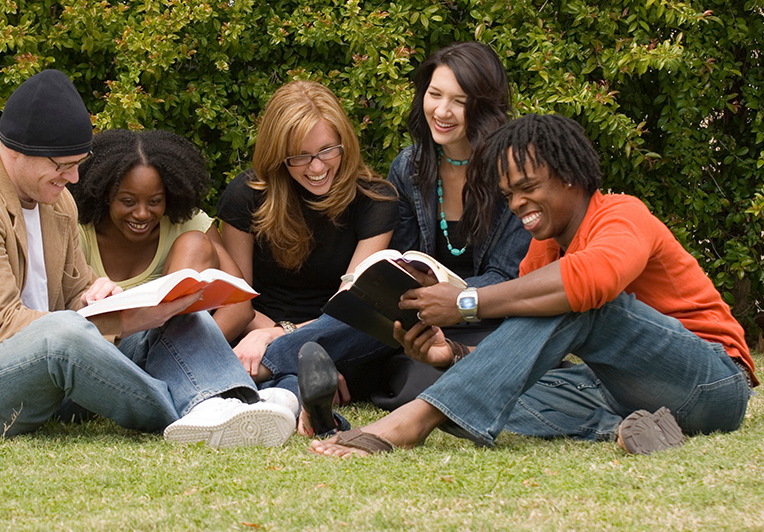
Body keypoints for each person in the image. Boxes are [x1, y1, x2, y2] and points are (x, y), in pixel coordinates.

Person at [0, 69, 295, 448]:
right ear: (18, 150)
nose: (73, 178)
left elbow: (75, 293)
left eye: (78, 165)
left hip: (48, 382)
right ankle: (194, 413)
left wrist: (100, 296)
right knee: (64, 336)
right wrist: (122, 321)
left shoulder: (55, 200)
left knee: (179, 313)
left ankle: (235, 400)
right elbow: (0, 327)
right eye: (64, 166)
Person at [311, 113, 756, 457]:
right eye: (508, 195)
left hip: (713, 382)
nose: (517, 204)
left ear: (570, 176)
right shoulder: (542, 251)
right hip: (619, 390)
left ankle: (414, 422)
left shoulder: (622, 214)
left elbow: (590, 283)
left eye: (527, 187)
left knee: (583, 300)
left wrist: (468, 302)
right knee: (499, 394)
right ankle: (645, 426)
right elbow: (525, 349)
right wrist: (454, 356)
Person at [252, 43, 532, 433]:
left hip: (483, 315)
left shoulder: (516, 170)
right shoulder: (412, 164)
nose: (442, 111)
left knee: (413, 382)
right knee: (370, 320)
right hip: (419, 316)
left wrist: (453, 298)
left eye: (459, 101)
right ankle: (303, 396)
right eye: (434, 95)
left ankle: (268, 367)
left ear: (484, 106)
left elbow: (508, 276)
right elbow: (404, 256)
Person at [216, 81, 398, 403]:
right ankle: (291, 391)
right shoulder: (245, 197)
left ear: (344, 142)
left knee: (382, 320)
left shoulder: (375, 200)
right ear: (278, 154)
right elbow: (238, 299)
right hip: (254, 331)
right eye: (300, 156)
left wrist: (279, 336)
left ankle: (270, 380)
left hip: (335, 335)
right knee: (299, 367)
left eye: (328, 150)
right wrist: (268, 334)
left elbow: (349, 307)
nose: (317, 167)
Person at [70, 128, 253, 341]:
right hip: (104, 353)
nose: (141, 214)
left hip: (173, 352)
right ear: (105, 195)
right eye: (128, 201)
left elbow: (241, 307)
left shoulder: (187, 224)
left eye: (154, 201)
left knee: (194, 243)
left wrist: (196, 351)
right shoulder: (78, 231)